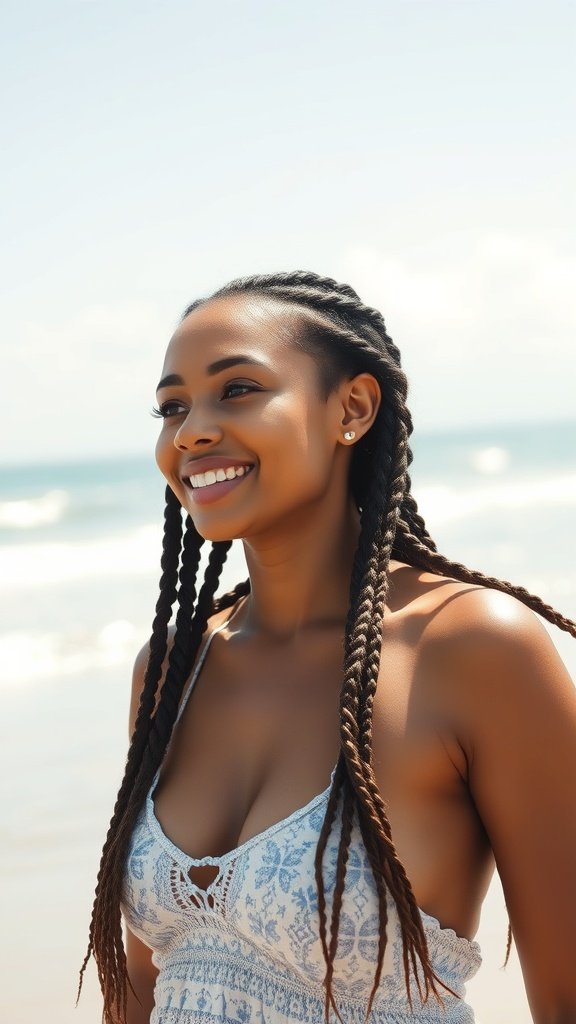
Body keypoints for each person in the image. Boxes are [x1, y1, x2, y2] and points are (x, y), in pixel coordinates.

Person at [79, 271, 576, 1024]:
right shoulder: (172, 671)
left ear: (351, 408)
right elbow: (140, 990)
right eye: (173, 406)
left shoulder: (473, 649)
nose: (190, 432)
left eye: (237, 389)